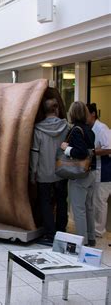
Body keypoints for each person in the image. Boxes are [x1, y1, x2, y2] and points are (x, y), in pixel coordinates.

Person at [30, 98, 69, 245]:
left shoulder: (37, 129)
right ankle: (61, 231)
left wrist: (33, 172)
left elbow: (35, 153)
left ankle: (50, 234)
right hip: (62, 171)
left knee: (45, 202)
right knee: (61, 201)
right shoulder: (66, 126)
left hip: (43, 172)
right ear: (56, 109)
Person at [60, 101, 96, 246]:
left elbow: (80, 153)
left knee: (78, 209)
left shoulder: (76, 130)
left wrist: (66, 148)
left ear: (72, 113)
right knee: (89, 207)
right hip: (91, 172)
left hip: (80, 174)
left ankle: (82, 242)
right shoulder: (90, 130)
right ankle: (91, 237)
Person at [87, 103, 111, 238]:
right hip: (96, 170)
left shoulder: (102, 128)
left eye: (86, 113)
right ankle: (94, 229)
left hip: (104, 171)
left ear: (93, 114)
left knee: (100, 202)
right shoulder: (91, 128)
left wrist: (90, 152)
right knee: (95, 201)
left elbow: (109, 148)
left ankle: (98, 231)